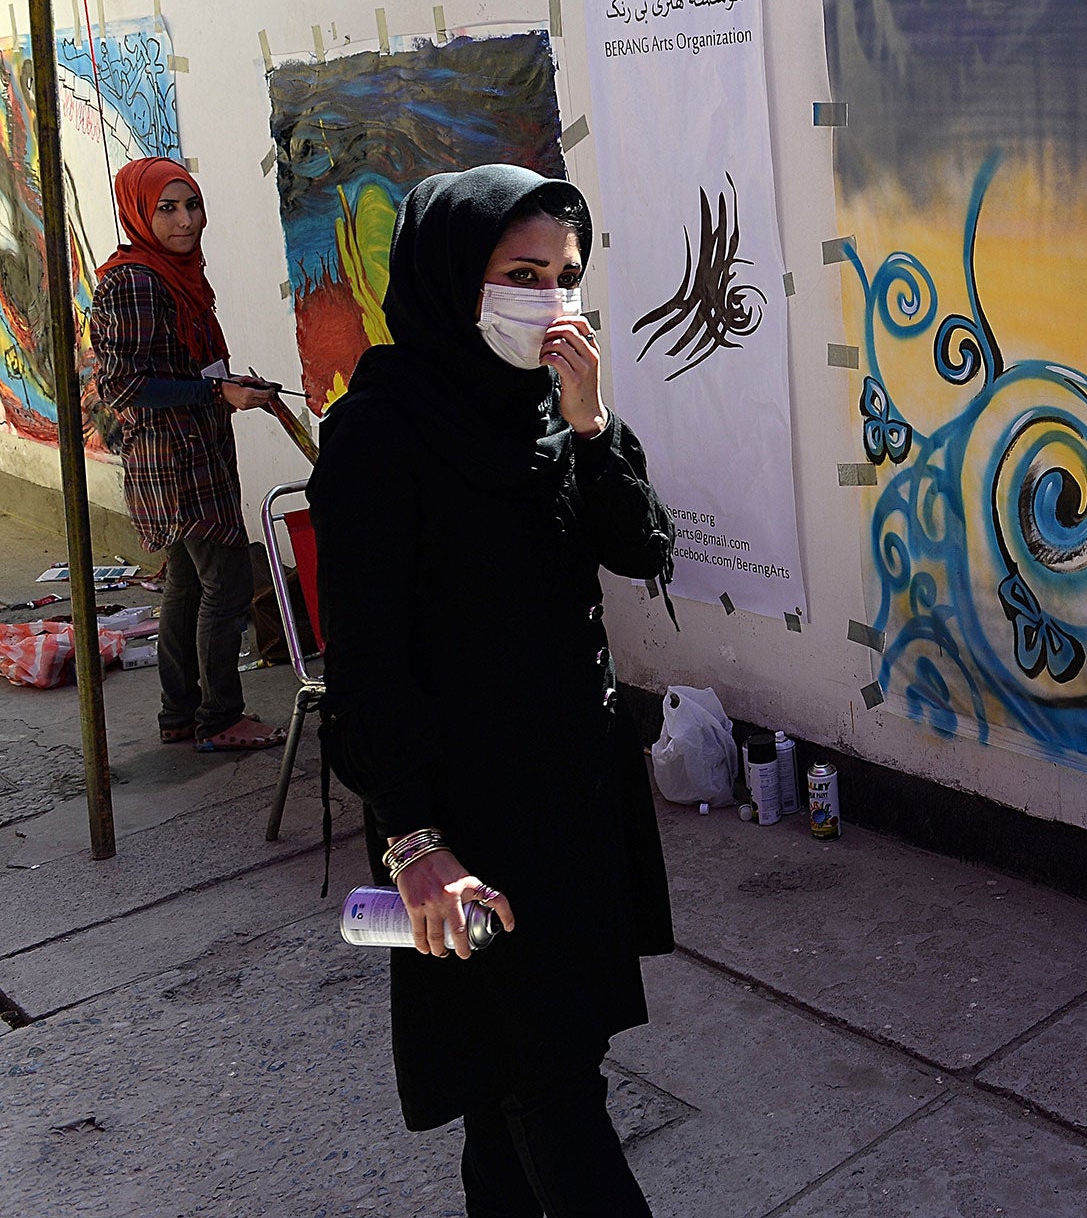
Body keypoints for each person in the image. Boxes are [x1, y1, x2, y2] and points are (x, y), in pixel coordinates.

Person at [308, 164, 675, 1218]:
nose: (552, 302)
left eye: (566, 276)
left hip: (574, 797)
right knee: (551, 1080)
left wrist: (594, 420)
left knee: (508, 1081)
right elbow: (366, 663)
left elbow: (639, 544)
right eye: (522, 274)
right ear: (449, 277)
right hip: (471, 821)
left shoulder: (547, 409)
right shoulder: (379, 434)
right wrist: (416, 843)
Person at [92, 157, 286, 752]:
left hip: (187, 451)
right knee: (225, 588)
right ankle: (220, 717)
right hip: (179, 462)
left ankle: (179, 713)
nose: (184, 221)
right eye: (167, 209)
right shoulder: (138, 281)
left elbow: (176, 367)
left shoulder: (177, 274)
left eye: (191, 205)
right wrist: (214, 391)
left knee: (184, 584)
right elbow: (123, 386)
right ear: (139, 214)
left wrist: (230, 387)